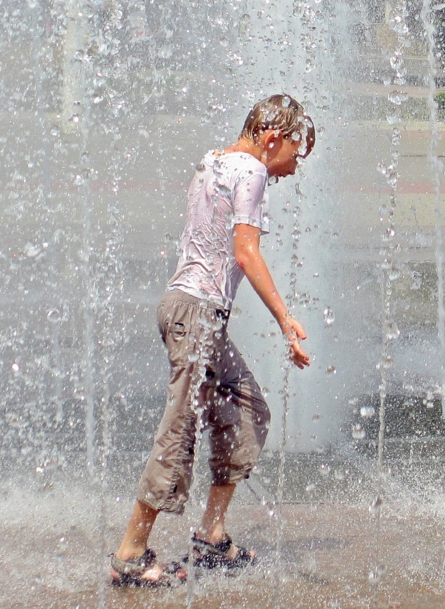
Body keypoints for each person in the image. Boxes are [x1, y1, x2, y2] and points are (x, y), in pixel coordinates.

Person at [109, 94, 315, 587]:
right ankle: (131, 553)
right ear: (272, 139)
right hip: (195, 316)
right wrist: (286, 320)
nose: (291, 169)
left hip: (191, 314)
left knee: (247, 406)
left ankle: (211, 535)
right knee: (179, 431)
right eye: (293, 154)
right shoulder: (253, 170)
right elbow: (246, 253)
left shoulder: (212, 161)